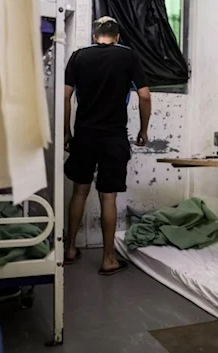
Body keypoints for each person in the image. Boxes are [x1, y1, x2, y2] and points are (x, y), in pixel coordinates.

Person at [63, 16, 152, 275]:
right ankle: (108, 259)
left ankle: (69, 249)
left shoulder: (78, 56)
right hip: (114, 136)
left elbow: (65, 96)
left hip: (84, 135)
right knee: (108, 196)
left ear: (94, 36)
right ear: (118, 37)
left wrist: (67, 131)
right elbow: (145, 96)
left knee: (79, 191)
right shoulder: (129, 56)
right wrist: (143, 130)